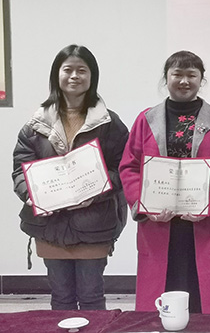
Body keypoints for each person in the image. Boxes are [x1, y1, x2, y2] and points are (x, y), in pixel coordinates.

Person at [120, 51, 210, 314]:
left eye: (191, 75)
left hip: (203, 223)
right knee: (160, 296)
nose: (184, 81)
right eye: (177, 74)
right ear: (166, 78)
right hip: (158, 222)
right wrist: (144, 205)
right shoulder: (146, 119)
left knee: (202, 297)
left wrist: (208, 204)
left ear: (201, 80)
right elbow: (129, 166)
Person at [12, 45, 129, 310]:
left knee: (91, 297)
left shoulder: (110, 123)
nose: (74, 76)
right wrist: (31, 195)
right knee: (61, 298)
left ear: (92, 76)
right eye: (68, 70)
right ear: (57, 74)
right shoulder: (36, 124)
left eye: (82, 70)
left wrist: (95, 192)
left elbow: (123, 167)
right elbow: (20, 169)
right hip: (50, 226)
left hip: (94, 224)